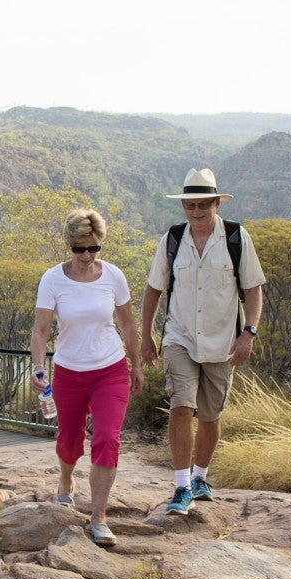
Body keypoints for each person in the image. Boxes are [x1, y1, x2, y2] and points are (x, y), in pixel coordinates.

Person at [139, 168, 266, 515]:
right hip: (179, 336)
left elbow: (253, 289)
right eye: (190, 206)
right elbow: (154, 289)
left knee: (210, 415)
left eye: (202, 206)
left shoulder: (237, 238)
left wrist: (248, 332)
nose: (195, 213)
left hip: (222, 341)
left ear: (215, 203)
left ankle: (200, 477)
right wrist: (146, 334)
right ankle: (181, 487)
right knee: (182, 407)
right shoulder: (172, 239)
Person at [31, 208, 142, 546]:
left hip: (109, 369)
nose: (86, 255)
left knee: (107, 439)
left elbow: (127, 324)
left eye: (93, 248)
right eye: (79, 248)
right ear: (69, 245)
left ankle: (99, 517)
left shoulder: (113, 276)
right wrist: (39, 367)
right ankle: (66, 481)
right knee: (69, 440)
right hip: (69, 371)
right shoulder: (53, 279)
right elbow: (40, 330)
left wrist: (135, 365)